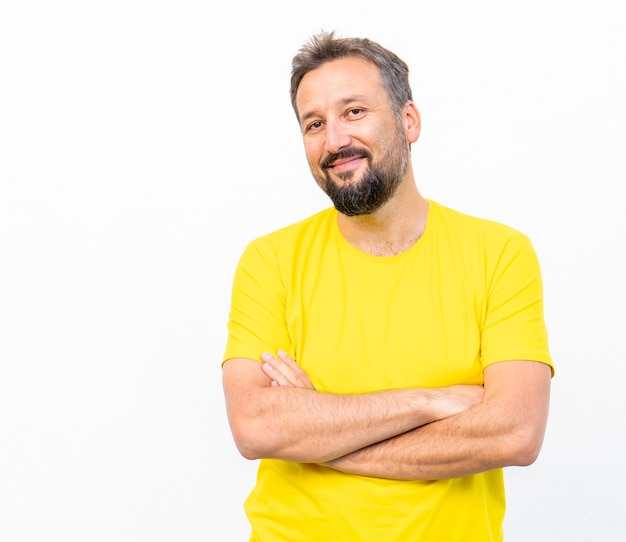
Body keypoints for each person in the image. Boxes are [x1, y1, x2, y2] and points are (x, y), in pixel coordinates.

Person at [221, 30, 554, 542]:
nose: (334, 141)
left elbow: (515, 431)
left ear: (408, 120)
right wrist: (428, 402)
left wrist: (321, 435)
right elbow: (256, 426)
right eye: (314, 123)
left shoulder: (499, 253)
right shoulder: (270, 261)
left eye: (354, 112)